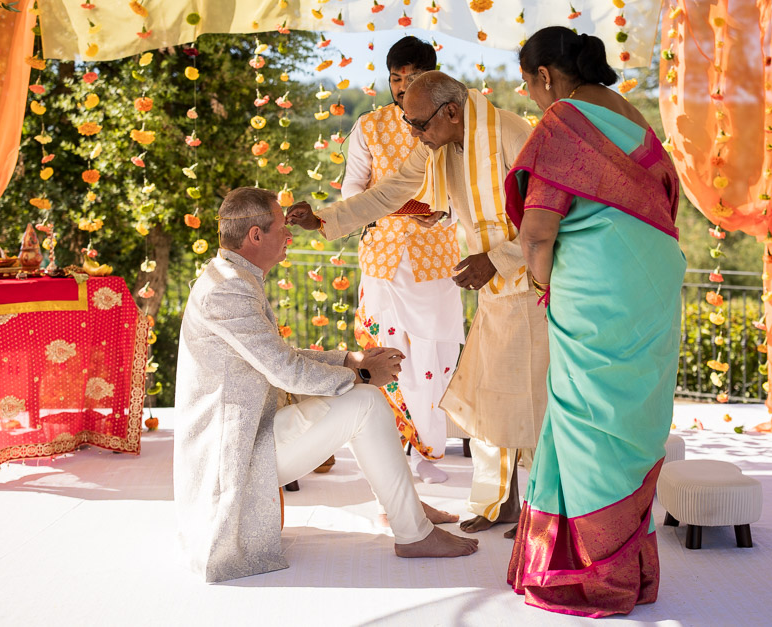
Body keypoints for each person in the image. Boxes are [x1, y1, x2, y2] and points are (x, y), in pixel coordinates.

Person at [287, 71, 549, 536]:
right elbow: (388, 193)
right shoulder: (439, 143)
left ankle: (543, 511)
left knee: (533, 401)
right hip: (493, 293)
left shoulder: (509, 133)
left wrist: (496, 259)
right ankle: (500, 504)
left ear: (450, 111)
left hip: (531, 288)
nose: (413, 134)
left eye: (418, 125)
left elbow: (543, 214)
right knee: (489, 397)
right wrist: (324, 219)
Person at [173, 187, 477, 583]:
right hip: (235, 451)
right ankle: (412, 529)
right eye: (282, 228)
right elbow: (284, 370)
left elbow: (280, 353)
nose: (290, 235)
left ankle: (408, 516)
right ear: (255, 236)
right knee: (365, 401)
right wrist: (363, 374)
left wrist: (352, 360)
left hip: (251, 433)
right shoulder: (228, 289)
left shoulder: (233, 276)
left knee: (363, 400)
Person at [503, 27, 685, 617]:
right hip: (652, 284)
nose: (531, 96)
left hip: (595, 291)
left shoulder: (561, 123)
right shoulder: (632, 115)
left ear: (547, 77)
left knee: (585, 417)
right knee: (625, 412)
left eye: (528, 84)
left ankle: (593, 574)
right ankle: (603, 561)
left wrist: (539, 283)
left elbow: (537, 231)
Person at [342, 37, 464, 484]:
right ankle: (387, 458)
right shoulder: (369, 127)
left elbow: (466, 188)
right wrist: (393, 208)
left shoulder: (452, 123)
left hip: (437, 260)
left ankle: (427, 453)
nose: (400, 87)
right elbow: (352, 191)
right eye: (395, 78)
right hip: (383, 262)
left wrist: (445, 213)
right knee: (385, 356)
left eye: (412, 79)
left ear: (433, 78)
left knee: (436, 354)